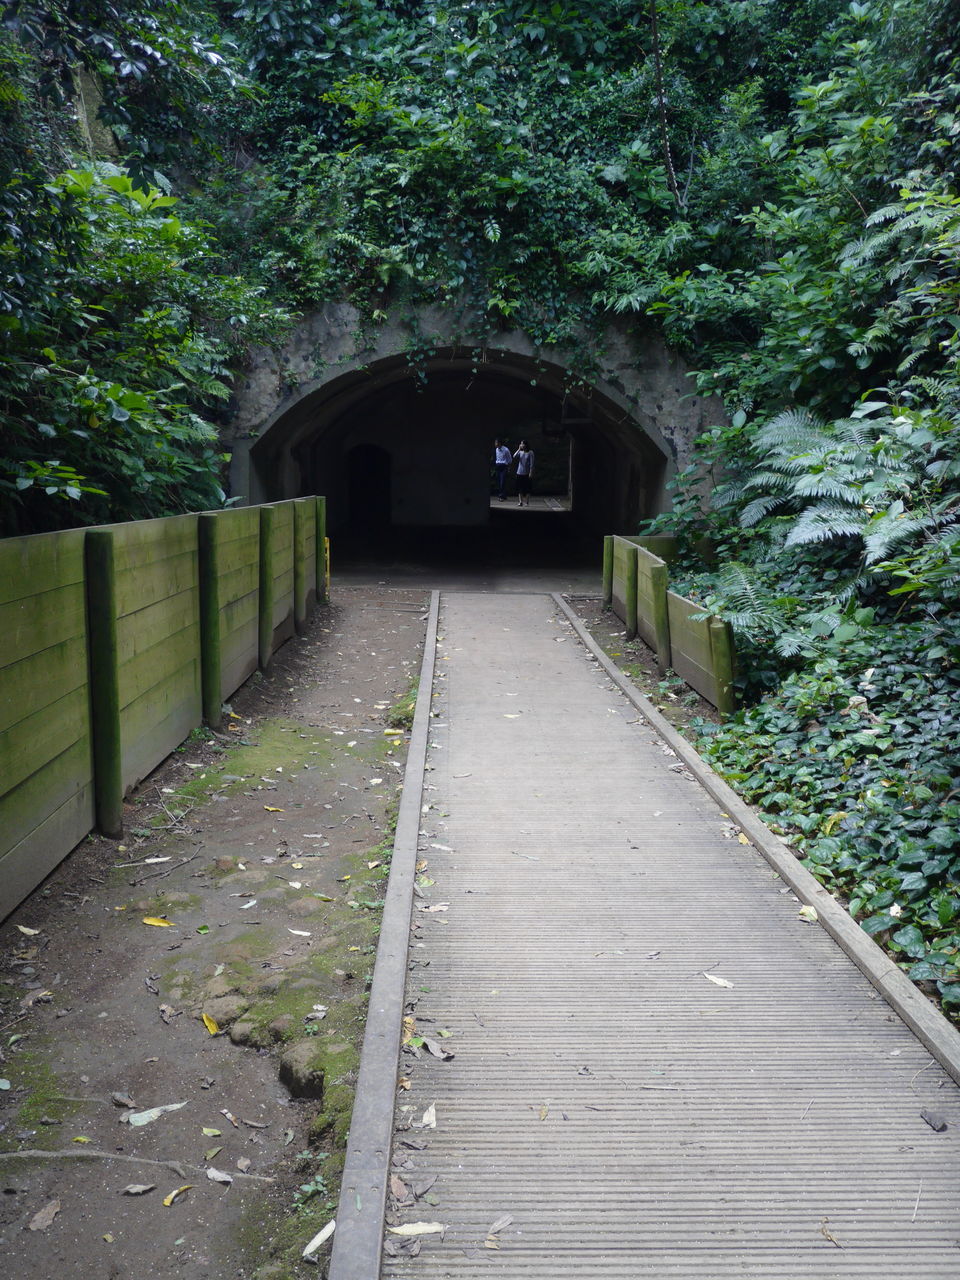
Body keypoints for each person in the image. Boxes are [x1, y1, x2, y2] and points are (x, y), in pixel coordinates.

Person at [513, 439, 534, 506]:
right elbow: (514, 456)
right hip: (519, 472)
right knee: (520, 488)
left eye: (522, 444)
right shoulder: (520, 452)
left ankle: (527, 502)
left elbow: (532, 463)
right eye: (521, 444)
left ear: (526, 445)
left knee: (527, 488)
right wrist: (519, 449)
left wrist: (531, 472)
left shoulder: (530, 452)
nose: (521, 445)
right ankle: (520, 501)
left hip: (527, 473)